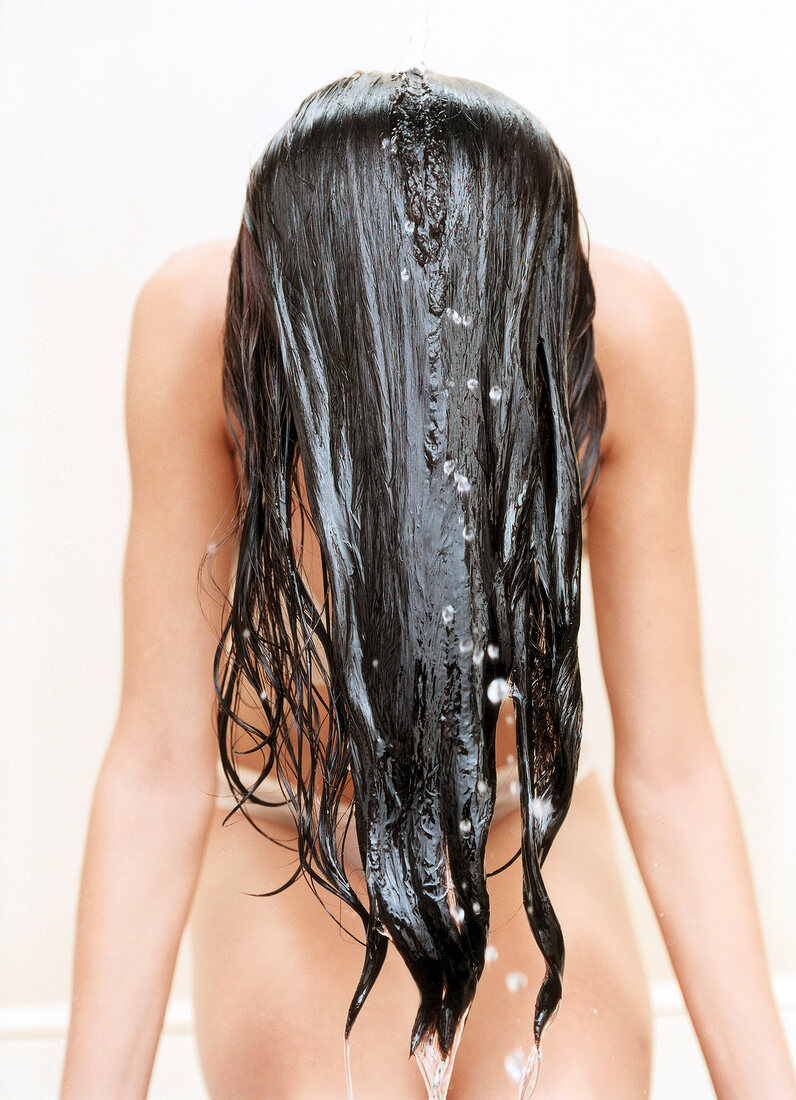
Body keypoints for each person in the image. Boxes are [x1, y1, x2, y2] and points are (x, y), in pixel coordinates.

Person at [60, 69, 795, 1100]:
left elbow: (672, 770)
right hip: (297, 831)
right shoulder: (212, 325)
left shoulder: (613, 333)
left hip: (509, 827)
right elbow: (156, 767)